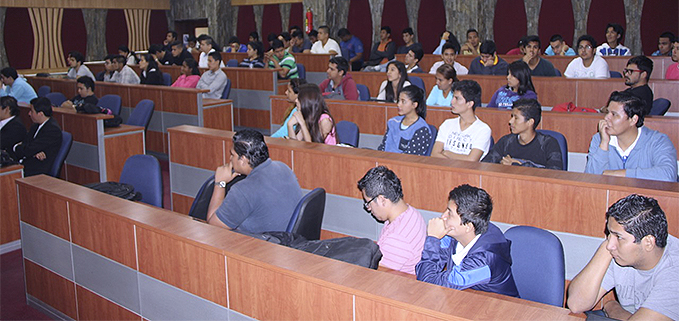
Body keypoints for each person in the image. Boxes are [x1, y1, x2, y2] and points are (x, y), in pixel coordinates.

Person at [567, 194, 678, 320]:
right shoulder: (618, 251)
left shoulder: (674, 270)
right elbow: (576, 304)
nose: (609, 245)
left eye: (618, 237)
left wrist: (612, 307)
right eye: (609, 234)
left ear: (648, 243)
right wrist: (607, 247)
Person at [416, 184, 519, 297]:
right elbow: (425, 273)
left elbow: (428, 283)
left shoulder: (483, 260)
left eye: (450, 213)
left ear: (468, 226)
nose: (443, 216)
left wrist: (433, 239)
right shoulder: (455, 235)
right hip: (467, 301)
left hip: (499, 310)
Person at [206, 129, 303, 233]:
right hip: (289, 240)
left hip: (262, 245)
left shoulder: (243, 190)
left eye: (232, 155)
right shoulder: (284, 168)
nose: (230, 159)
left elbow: (214, 225)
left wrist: (220, 183)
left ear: (243, 159)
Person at [585, 91, 677, 182]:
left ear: (633, 120)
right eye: (607, 112)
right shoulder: (599, 139)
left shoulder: (658, 141)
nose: (606, 118)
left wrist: (621, 174)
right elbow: (590, 179)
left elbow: (668, 175)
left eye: (614, 114)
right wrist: (604, 144)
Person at [357, 166, 426, 274]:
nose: (369, 209)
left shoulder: (398, 238)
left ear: (382, 200)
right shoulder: (411, 212)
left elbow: (374, 276)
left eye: (368, 203)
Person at [482, 99, 563, 170]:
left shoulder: (549, 143)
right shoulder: (506, 142)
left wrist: (517, 165)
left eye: (516, 118)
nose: (510, 121)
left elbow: (555, 172)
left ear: (530, 122)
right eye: (511, 116)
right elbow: (485, 164)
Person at [431, 80, 491, 162]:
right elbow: (434, 154)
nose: (452, 102)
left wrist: (448, 154)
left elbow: (472, 160)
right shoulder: (447, 124)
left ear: (470, 104)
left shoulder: (483, 129)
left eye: (457, 98)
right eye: (453, 97)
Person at [9, 97, 62, 177]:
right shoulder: (35, 126)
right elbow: (28, 145)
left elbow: (28, 149)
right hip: (26, 163)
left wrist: (19, 148)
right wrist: (31, 151)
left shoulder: (52, 130)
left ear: (40, 114)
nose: (29, 114)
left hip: (37, 170)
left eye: (32, 111)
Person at [378, 85, 432, 155]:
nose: (398, 104)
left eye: (403, 101)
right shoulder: (393, 122)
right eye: (398, 100)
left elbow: (411, 157)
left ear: (414, 105)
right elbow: (383, 147)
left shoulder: (422, 129)